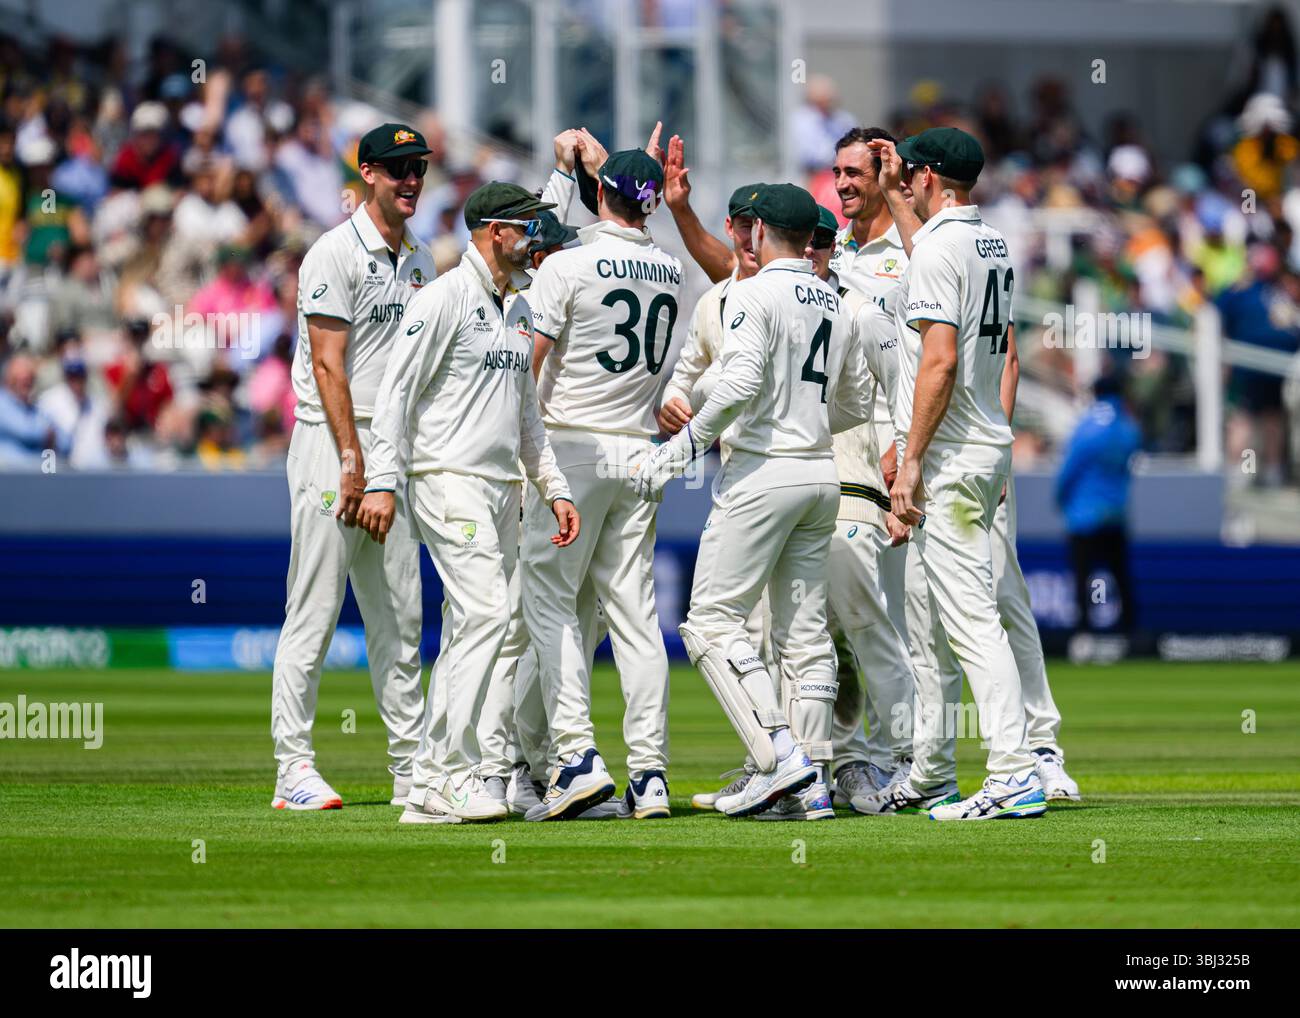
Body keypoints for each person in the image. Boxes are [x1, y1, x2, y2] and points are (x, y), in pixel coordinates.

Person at [633, 183, 873, 819]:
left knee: (710, 625)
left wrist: (674, 456)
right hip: (821, 478)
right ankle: (811, 778)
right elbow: (852, 402)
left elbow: (737, 382)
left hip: (764, 473)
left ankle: (779, 759)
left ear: (763, 231)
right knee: (803, 637)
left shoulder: (751, 292)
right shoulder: (835, 301)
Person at [359, 181, 579, 825]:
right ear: (493, 231)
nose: (535, 239)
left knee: (469, 627)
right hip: (446, 477)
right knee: (487, 612)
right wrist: (382, 479)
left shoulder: (519, 307)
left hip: (498, 488)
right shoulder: (444, 298)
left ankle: (429, 785)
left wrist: (555, 488)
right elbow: (396, 395)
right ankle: (448, 774)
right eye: (526, 228)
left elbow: (525, 419)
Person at [878, 127, 1047, 821]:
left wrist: (911, 459)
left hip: (950, 453)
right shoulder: (989, 241)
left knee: (972, 621)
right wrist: (896, 201)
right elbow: (936, 261)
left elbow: (939, 361)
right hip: (988, 445)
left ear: (930, 178)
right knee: (957, 616)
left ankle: (1013, 771)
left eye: (910, 174)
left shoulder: (942, 248)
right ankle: (974, 769)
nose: (906, 181)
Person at [269, 123, 435, 811]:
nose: (409, 179)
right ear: (365, 172)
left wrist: (390, 461)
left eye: (418, 167)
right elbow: (327, 365)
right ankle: (293, 770)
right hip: (331, 445)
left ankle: (412, 768)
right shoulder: (333, 253)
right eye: (395, 167)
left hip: (390, 449)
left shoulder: (422, 258)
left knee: (399, 616)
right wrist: (350, 459)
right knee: (312, 609)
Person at [521, 148, 682, 821]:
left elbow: (525, 367)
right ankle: (649, 776)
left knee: (551, 602)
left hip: (572, 445)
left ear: (598, 194)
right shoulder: (671, 270)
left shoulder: (566, 264)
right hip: (639, 450)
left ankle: (577, 759)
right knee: (636, 618)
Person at [1056, 373, 1141, 635]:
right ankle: (1130, 634)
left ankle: (1083, 633)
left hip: (1084, 515)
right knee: (1120, 574)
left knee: (1083, 576)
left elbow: (1068, 470)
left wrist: (1060, 498)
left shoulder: (1085, 427)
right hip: (1115, 512)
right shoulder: (1129, 429)